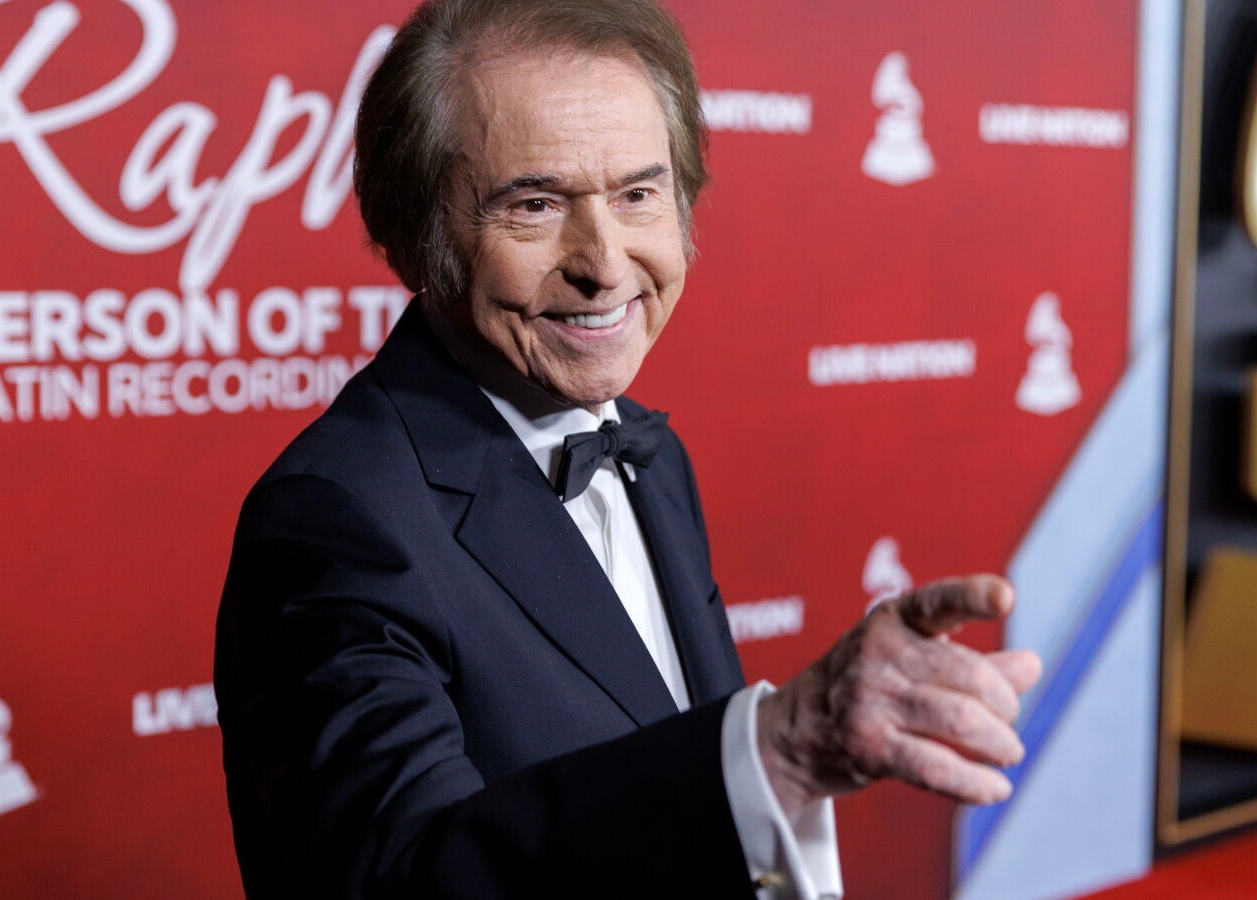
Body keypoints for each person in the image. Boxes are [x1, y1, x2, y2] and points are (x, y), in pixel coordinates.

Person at [214, 0, 1042, 897]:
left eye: (637, 195)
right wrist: (780, 750)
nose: (604, 265)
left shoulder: (650, 454)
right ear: (419, 237)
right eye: (535, 206)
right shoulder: (336, 521)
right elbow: (407, 881)